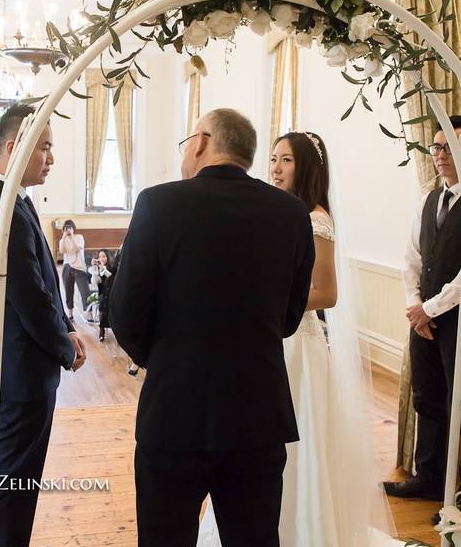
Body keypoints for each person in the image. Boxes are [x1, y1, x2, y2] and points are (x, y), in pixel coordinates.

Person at [110, 109, 314, 547]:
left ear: (201, 141)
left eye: (187, 140)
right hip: (257, 417)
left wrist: (165, 358)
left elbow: (125, 312)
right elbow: (290, 317)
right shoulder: (291, 213)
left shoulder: (158, 203)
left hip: (174, 412)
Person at [198, 131, 393, 547]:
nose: (275, 168)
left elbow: (327, 292)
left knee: (296, 440)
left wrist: (271, 298)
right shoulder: (279, 212)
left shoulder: (314, 218)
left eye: (286, 160)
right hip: (271, 339)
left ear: (306, 166)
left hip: (299, 344)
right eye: (272, 159)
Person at [0, 103, 86, 547]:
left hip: (19, 367)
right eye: (46, 148)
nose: (51, 159)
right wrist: (64, 346)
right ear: (16, 147)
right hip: (19, 370)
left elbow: (42, 283)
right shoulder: (1, 210)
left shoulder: (12, 200)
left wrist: (68, 324)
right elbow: (30, 298)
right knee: (14, 487)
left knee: (17, 483)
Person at [384, 116, 461, 501]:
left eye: (449, 147)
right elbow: (412, 259)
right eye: (436, 147)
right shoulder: (428, 200)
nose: (440, 155)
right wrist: (414, 306)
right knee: (429, 398)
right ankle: (429, 478)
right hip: (424, 319)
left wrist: (430, 309)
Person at [58, 220, 91, 319]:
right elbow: (62, 251)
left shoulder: (79, 237)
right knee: (68, 291)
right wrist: (64, 237)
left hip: (79, 267)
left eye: (70, 228)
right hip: (67, 267)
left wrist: (72, 236)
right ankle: (70, 313)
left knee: (85, 291)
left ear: (73, 228)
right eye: (66, 228)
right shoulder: (62, 240)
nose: (68, 230)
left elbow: (78, 248)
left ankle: (89, 314)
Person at [89, 250, 113, 340]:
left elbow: (110, 277)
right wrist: (95, 269)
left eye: (104, 256)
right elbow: (95, 282)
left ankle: (114, 328)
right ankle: (101, 329)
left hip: (112, 292)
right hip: (102, 294)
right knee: (102, 302)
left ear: (108, 257)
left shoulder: (112, 267)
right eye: (100, 256)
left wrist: (103, 268)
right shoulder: (96, 268)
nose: (102, 258)